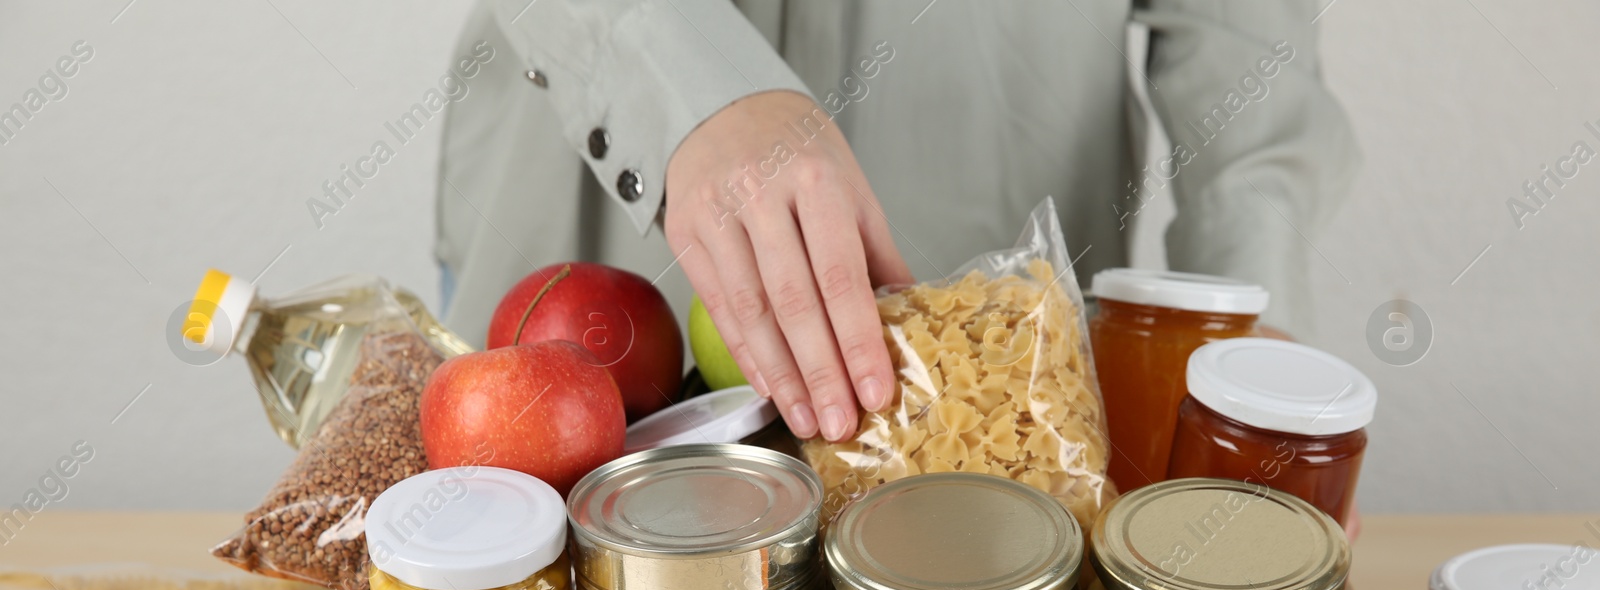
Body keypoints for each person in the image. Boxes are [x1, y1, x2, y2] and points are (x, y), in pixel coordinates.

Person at [436, 0, 1357, 443]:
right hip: (581, 235)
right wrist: (678, 82)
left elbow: (1247, 44)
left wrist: (1248, 333)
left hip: (996, 375)